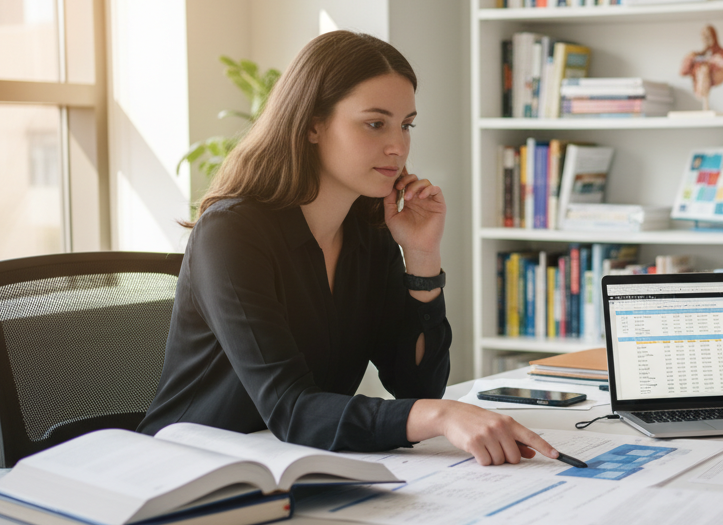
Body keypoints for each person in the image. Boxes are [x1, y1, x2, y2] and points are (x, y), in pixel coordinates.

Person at [140, 30, 560, 467]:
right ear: (312, 125)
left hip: (294, 463)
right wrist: (441, 415)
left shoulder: (367, 229)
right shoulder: (232, 232)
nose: (398, 146)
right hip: (186, 471)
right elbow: (291, 408)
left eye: (406, 124)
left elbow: (417, 387)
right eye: (375, 123)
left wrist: (421, 256)